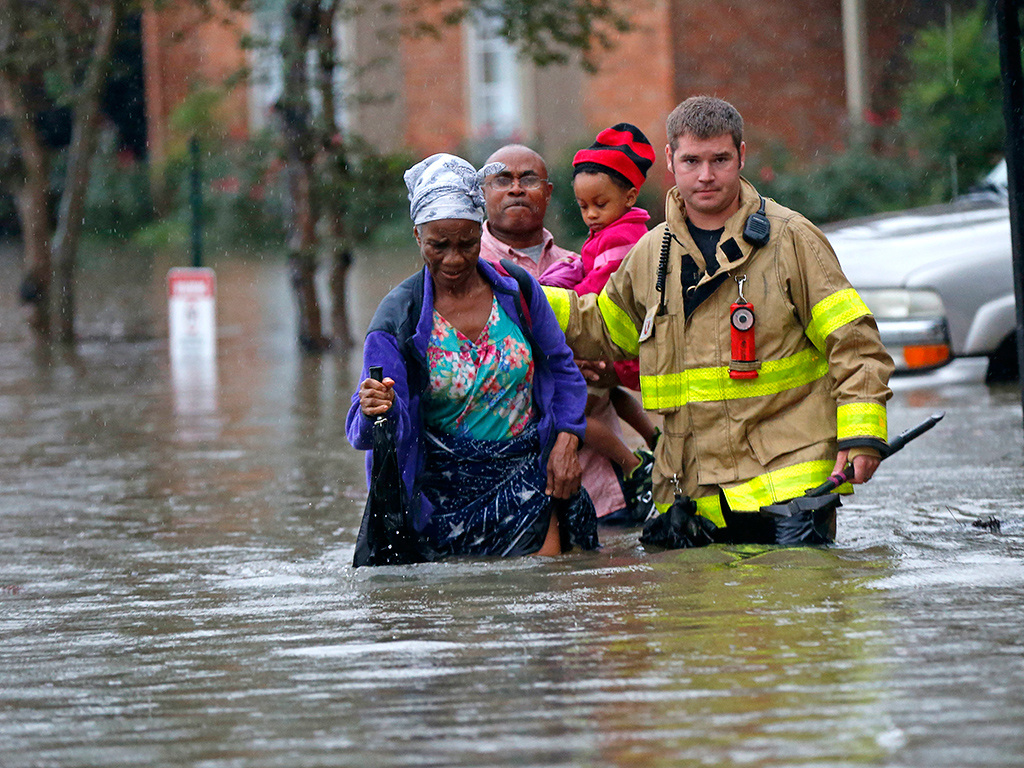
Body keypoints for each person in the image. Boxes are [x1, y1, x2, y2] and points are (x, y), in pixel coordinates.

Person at [541, 96, 895, 546]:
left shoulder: (791, 240)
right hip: (691, 494)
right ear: (670, 161)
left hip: (790, 495)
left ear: (741, 156)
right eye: (691, 161)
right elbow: (607, 330)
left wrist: (862, 435)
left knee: (799, 611)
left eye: (720, 160)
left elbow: (855, 343)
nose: (705, 176)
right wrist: (523, 295)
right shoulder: (651, 253)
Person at [346, 153, 598, 559]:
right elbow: (364, 430)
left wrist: (568, 437)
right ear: (417, 237)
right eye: (438, 245)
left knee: (546, 601)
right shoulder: (397, 320)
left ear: (481, 233)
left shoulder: (517, 291)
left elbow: (562, 369)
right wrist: (378, 407)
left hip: (529, 485)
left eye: (467, 243)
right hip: (439, 507)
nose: (454, 258)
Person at [479, 144, 649, 524]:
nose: (517, 188)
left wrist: (608, 366)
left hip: (602, 486)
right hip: (505, 490)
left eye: (529, 179)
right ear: (483, 192)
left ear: (549, 193)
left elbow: (638, 341)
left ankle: (638, 461)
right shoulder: (463, 274)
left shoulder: (586, 265)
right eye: (502, 179)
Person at [569, 123, 662, 521]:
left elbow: (600, 289)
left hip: (618, 343)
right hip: (625, 347)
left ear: (630, 195)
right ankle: (653, 437)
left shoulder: (622, 237)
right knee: (610, 393)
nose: (590, 214)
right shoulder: (617, 229)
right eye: (583, 206)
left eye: (599, 204)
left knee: (572, 414)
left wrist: (561, 295)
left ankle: (631, 465)